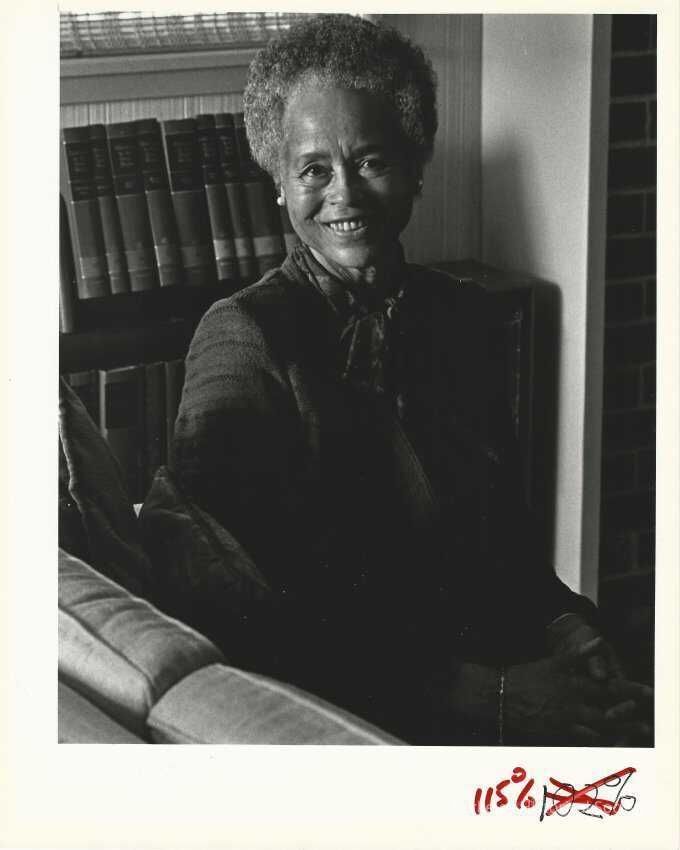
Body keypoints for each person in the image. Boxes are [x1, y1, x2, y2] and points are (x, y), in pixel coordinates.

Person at [169, 14, 651, 745]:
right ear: (280, 185)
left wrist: (567, 626)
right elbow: (249, 618)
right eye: (313, 169)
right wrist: (492, 700)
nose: (344, 194)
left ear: (417, 164)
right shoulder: (243, 338)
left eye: (370, 160)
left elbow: (507, 549)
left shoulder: (463, 316)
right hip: (363, 716)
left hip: (507, 665)